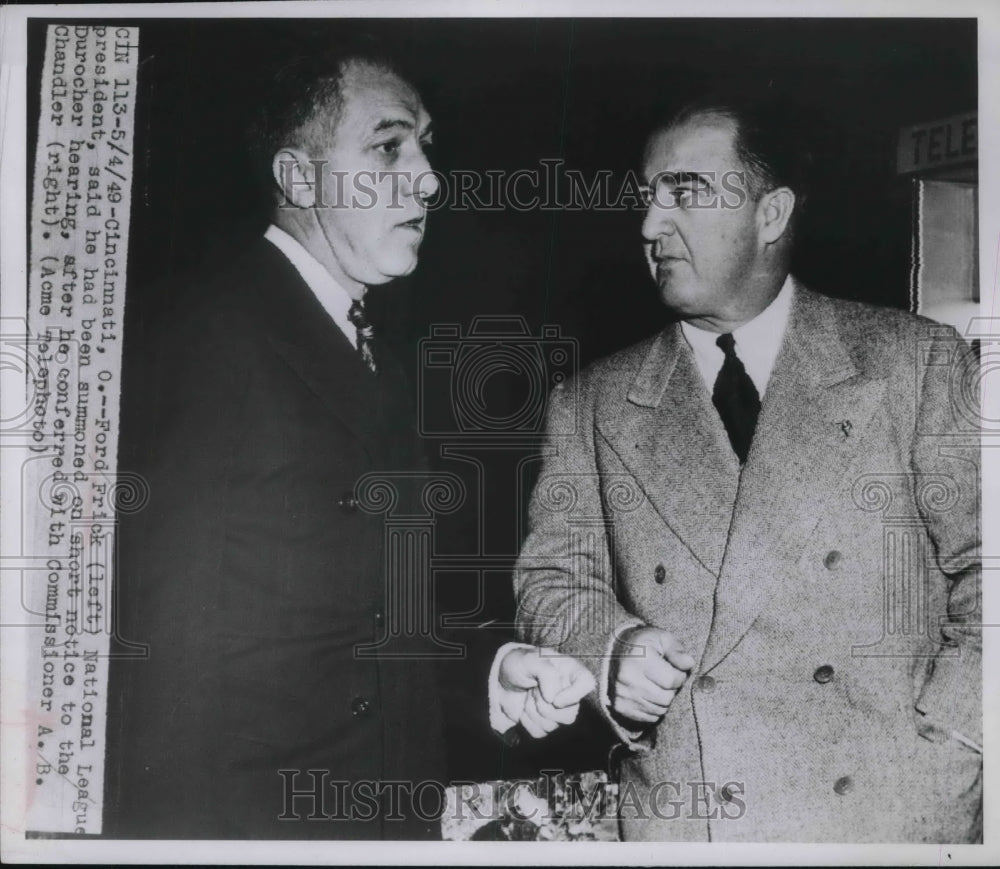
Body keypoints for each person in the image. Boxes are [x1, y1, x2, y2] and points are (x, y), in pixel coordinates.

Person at [104, 40, 594, 841]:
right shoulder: (207, 337)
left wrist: (493, 673)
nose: (430, 177)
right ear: (299, 179)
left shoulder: (373, 356)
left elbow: (367, 624)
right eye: (388, 146)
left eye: (426, 146)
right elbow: (159, 673)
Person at [514, 93, 981, 843]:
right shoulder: (591, 403)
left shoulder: (915, 363)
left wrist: (953, 746)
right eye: (646, 198)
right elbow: (552, 581)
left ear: (771, 215)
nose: (648, 225)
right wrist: (611, 649)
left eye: (684, 193)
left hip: (884, 820)